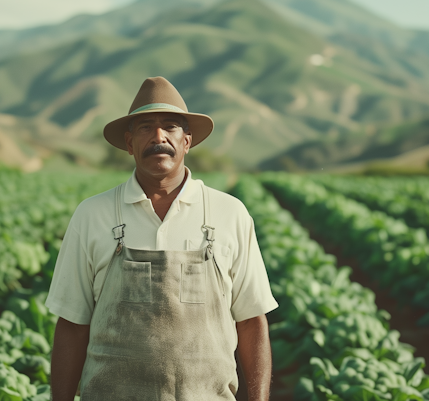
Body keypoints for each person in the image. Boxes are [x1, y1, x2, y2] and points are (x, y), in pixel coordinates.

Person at [46, 76, 278, 401]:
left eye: (170, 126)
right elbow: (71, 324)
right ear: (129, 143)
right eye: (145, 128)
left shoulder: (229, 213)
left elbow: (252, 321)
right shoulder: (92, 214)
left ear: (187, 141)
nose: (158, 137)